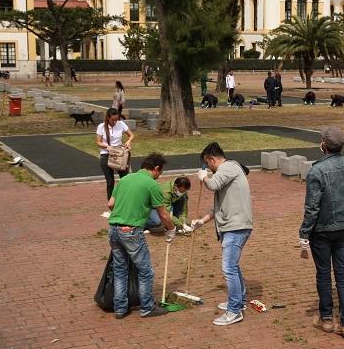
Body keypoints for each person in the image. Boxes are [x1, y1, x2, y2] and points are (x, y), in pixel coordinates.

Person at [299, 126, 344, 339]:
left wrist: (304, 232)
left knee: (324, 274)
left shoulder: (317, 170)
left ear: (324, 145)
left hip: (323, 229)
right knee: (342, 275)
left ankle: (327, 318)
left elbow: (312, 206)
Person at [107, 153, 176, 319]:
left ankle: (120, 308)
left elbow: (110, 204)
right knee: (145, 271)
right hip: (131, 232)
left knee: (120, 269)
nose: (159, 176)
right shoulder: (151, 185)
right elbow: (163, 214)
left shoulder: (124, 179)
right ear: (156, 168)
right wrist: (171, 229)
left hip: (114, 229)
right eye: (160, 172)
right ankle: (147, 307)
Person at [191, 142, 252, 326]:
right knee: (233, 265)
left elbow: (213, 185)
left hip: (236, 227)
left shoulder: (228, 167)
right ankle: (238, 301)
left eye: (207, 164)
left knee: (228, 268)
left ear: (212, 159)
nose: (208, 168)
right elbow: (218, 206)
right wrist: (202, 221)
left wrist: (204, 178)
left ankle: (234, 311)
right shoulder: (228, 171)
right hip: (232, 226)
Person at [96, 108, 135, 204]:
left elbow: (131, 135)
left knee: (126, 179)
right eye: (112, 120)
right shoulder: (101, 126)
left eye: (116, 119)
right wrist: (107, 146)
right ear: (108, 118)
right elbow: (98, 142)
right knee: (110, 182)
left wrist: (128, 141)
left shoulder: (121, 124)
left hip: (119, 155)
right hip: (106, 155)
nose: (114, 122)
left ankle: (126, 202)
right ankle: (111, 205)